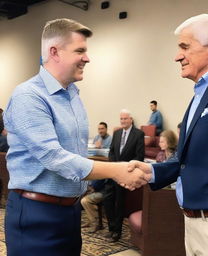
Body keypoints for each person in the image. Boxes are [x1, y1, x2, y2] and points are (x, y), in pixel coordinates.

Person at [3, 18, 149, 256]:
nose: (87, 58)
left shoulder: (72, 95)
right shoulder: (28, 96)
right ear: (54, 52)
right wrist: (117, 170)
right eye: (80, 50)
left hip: (69, 213)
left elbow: (75, 154)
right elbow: (55, 158)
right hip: (35, 214)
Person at [128, 14, 208, 255]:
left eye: (184, 47)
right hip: (193, 222)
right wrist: (152, 172)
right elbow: (188, 158)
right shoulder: (202, 91)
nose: (177, 55)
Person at [103, 109, 145, 242]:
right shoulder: (116, 133)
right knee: (107, 199)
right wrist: (113, 167)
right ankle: (111, 228)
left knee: (119, 203)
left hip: (126, 174)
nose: (123, 121)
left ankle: (117, 232)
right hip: (113, 173)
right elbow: (112, 152)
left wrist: (124, 170)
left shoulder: (138, 134)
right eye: (121, 119)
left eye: (125, 119)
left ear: (131, 119)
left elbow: (139, 156)